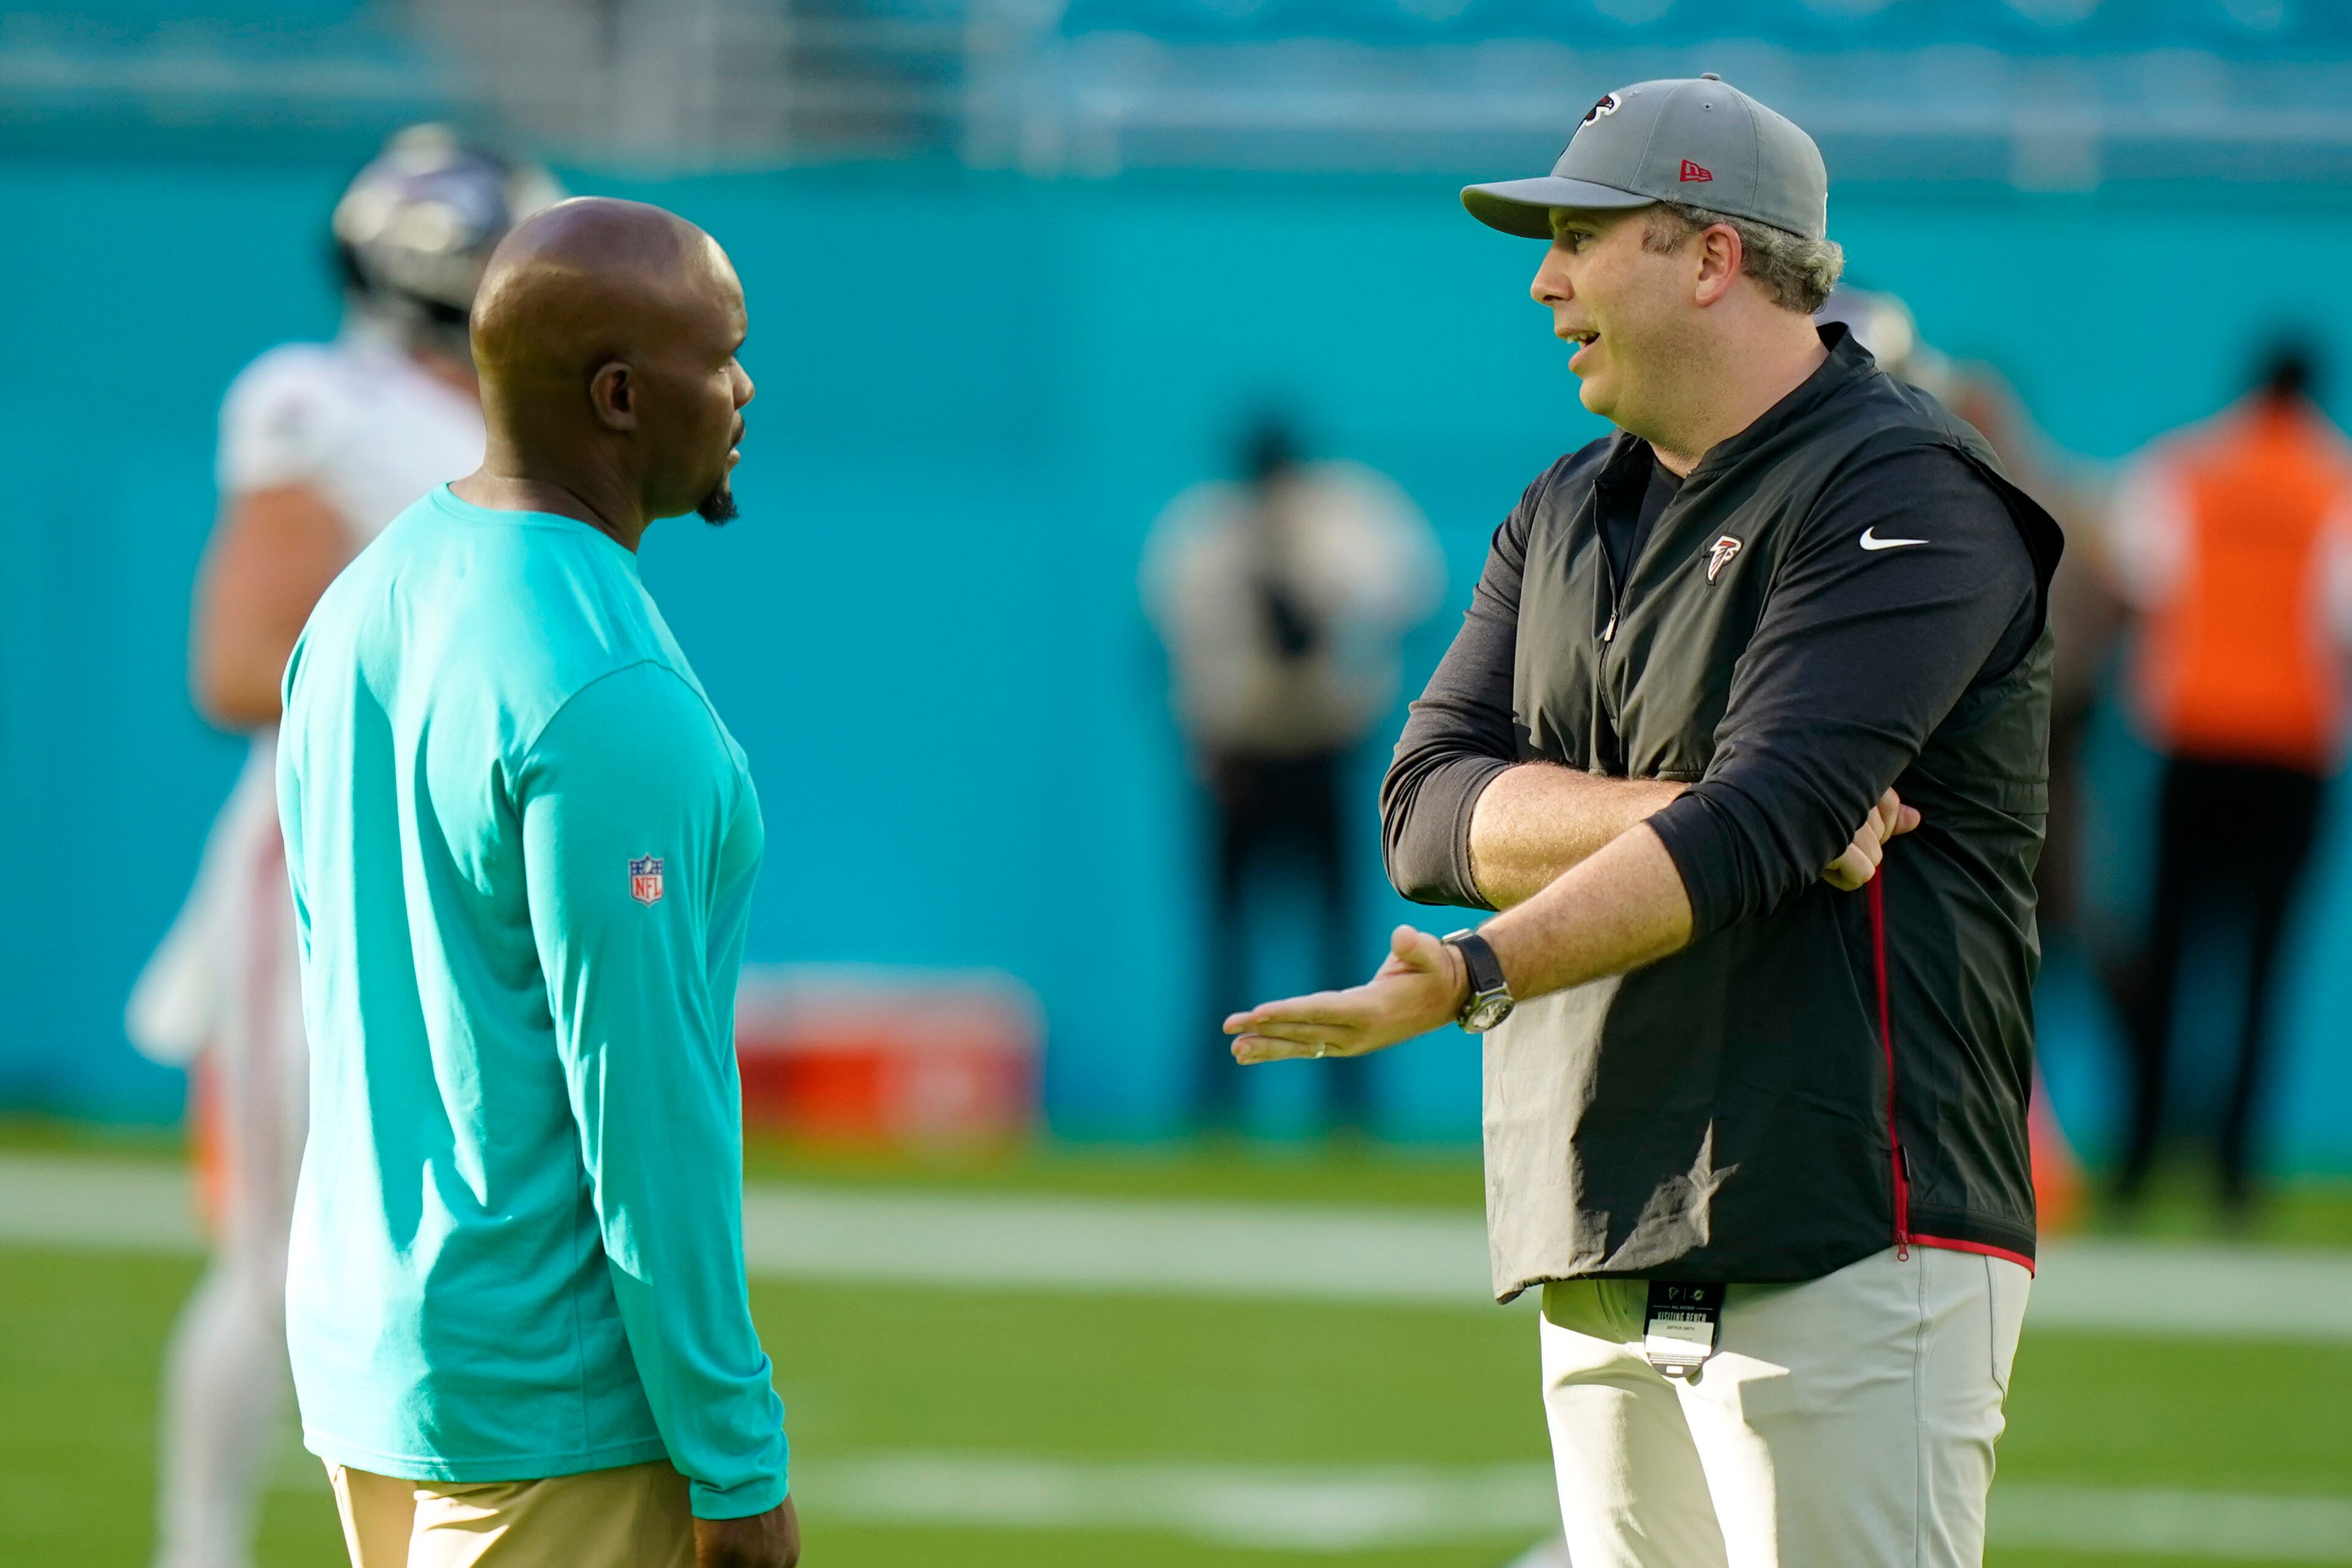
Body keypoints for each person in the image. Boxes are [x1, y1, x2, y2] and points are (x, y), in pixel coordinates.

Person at [1225, 77, 2060, 1567]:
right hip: (1599, 1219)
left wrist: (1480, 968)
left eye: (1579, 235)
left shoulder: (1909, 487)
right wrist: (1706, 806)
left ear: (1710, 254)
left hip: (1840, 1215)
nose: (1542, 278)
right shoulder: (1559, 508)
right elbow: (1422, 812)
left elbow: (1761, 821)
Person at [275, 197, 796, 1568]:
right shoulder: (607, 691)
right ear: (620, 396)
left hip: (369, 1351)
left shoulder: (361, 599)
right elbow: (644, 1106)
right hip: (549, 1401)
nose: (745, 388)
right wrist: (736, 1455)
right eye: (722, 355)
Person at [126, 125, 557, 1568]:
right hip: (326, 866)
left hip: (460, 886)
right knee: (287, 1262)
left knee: (461, 1259)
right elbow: (240, 665)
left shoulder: (507, 436)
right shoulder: (328, 404)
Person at [1141, 414, 1442, 1131]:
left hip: (1323, 744)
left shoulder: (1350, 519)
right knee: (1225, 938)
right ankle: (1217, 1106)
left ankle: (1347, 1107)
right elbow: (1174, 644)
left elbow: (1410, 600)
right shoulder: (1204, 531)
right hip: (1239, 753)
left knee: (1338, 934)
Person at [2105, 343, 2352, 1217]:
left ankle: (2137, 1159)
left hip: (2191, 741)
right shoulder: (2335, 484)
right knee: (2263, 967)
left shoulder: (2185, 468)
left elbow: (2135, 585)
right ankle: (2235, 1174)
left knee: (2167, 955)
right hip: (2292, 752)